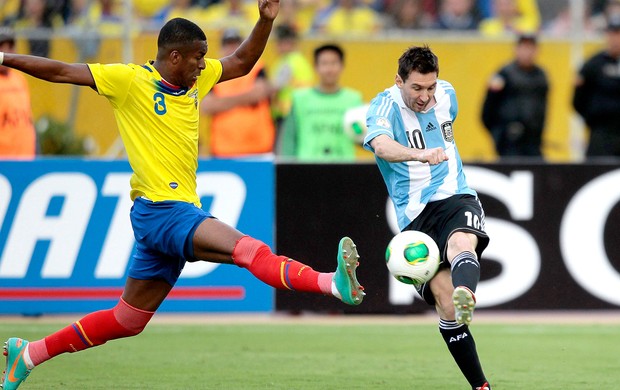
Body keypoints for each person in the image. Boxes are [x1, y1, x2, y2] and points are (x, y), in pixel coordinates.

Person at [0, 2, 365, 389]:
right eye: (197, 57)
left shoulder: (197, 80)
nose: (203, 65)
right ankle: (330, 283)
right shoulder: (128, 80)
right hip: (162, 211)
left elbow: (241, 61)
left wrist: (266, 20)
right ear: (174, 56)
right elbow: (59, 70)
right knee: (249, 251)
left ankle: (29, 353)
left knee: (128, 319)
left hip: (166, 214)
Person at [363, 46, 491, 390]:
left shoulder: (448, 95)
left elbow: (444, 132)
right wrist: (420, 155)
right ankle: (481, 386)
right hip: (415, 217)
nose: (426, 96)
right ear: (399, 81)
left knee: (461, 242)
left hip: (455, 196)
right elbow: (381, 147)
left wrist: (438, 156)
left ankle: (467, 290)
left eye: (430, 87)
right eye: (417, 88)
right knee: (444, 304)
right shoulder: (384, 106)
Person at [278, 43, 363, 161]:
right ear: (316, 67)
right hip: (307, 168)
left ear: (342, 66)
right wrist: (286, 167)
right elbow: (289, 138)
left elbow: (361, 135)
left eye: (334, 63)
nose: (329, 69)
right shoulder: (300, 99)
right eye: (324, 63)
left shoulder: (353, 99)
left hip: (344, 167)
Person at [200, 28, 275, 157]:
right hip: (224, 149)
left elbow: (260, 93)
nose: (232, 49)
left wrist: (222, 102)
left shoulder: (256, 67)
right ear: (221, 49)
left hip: (258, 148)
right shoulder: (214, 72)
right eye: (228, 45)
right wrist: (246, 97)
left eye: (236, 44)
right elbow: (206, 106)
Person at [481, 33, 549, 158]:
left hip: (532, 140)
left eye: (531, 48)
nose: (527, 52)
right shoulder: (504, 74)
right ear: (516, 49)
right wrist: (499, 133)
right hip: (509, 141)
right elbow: (487, 110)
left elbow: (542, 109)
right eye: (524, 47)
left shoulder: (541, 76)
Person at [573, 14, 620, 157]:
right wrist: (594, 118)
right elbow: (578, 99)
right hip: (601, 133)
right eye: (613, 34)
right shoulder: (594, 64)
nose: (616, 39)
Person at [269, 23, 313, 133]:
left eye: (278, 43)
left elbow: (274, 89)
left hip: (286, 115)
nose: (276, 46)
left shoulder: (287, 63)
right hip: (302, 113)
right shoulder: (301, 61)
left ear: (287, 43)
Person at [0, 27, 36, 159]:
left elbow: (28, 117)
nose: (6, 54)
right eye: (2, 48)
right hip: (4, 162)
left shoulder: (19, 79)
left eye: (10, 47)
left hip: (26, 158)